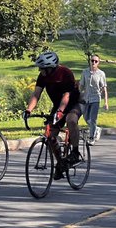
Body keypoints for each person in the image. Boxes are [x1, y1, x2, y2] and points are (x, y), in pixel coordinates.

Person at [25, 50, 82, 178]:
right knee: (51, 136)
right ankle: (61, 163)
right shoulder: (43, 76)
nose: (40, 70)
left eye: (42, 68)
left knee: (71, 120)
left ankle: (75, 152)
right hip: (58, 105)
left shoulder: (65, 73)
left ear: (50, 68)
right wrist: (28, 109)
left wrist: (61, 112)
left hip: (73, 103)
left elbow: (66, 96)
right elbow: (36, 94)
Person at [79, 53, 109, 144]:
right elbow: (81, 85)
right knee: (85, 116)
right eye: (92, 61)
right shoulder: (85, 72)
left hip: (96, 98)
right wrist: (78, 94)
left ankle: (91, 138)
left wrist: (106, 102)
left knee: (93, 119)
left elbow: (104, 88)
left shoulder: (101, 74)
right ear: (90, 61)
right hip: (86, 98)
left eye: (96, 61)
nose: (94, 63)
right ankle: (96, 128)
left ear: (98, 63)